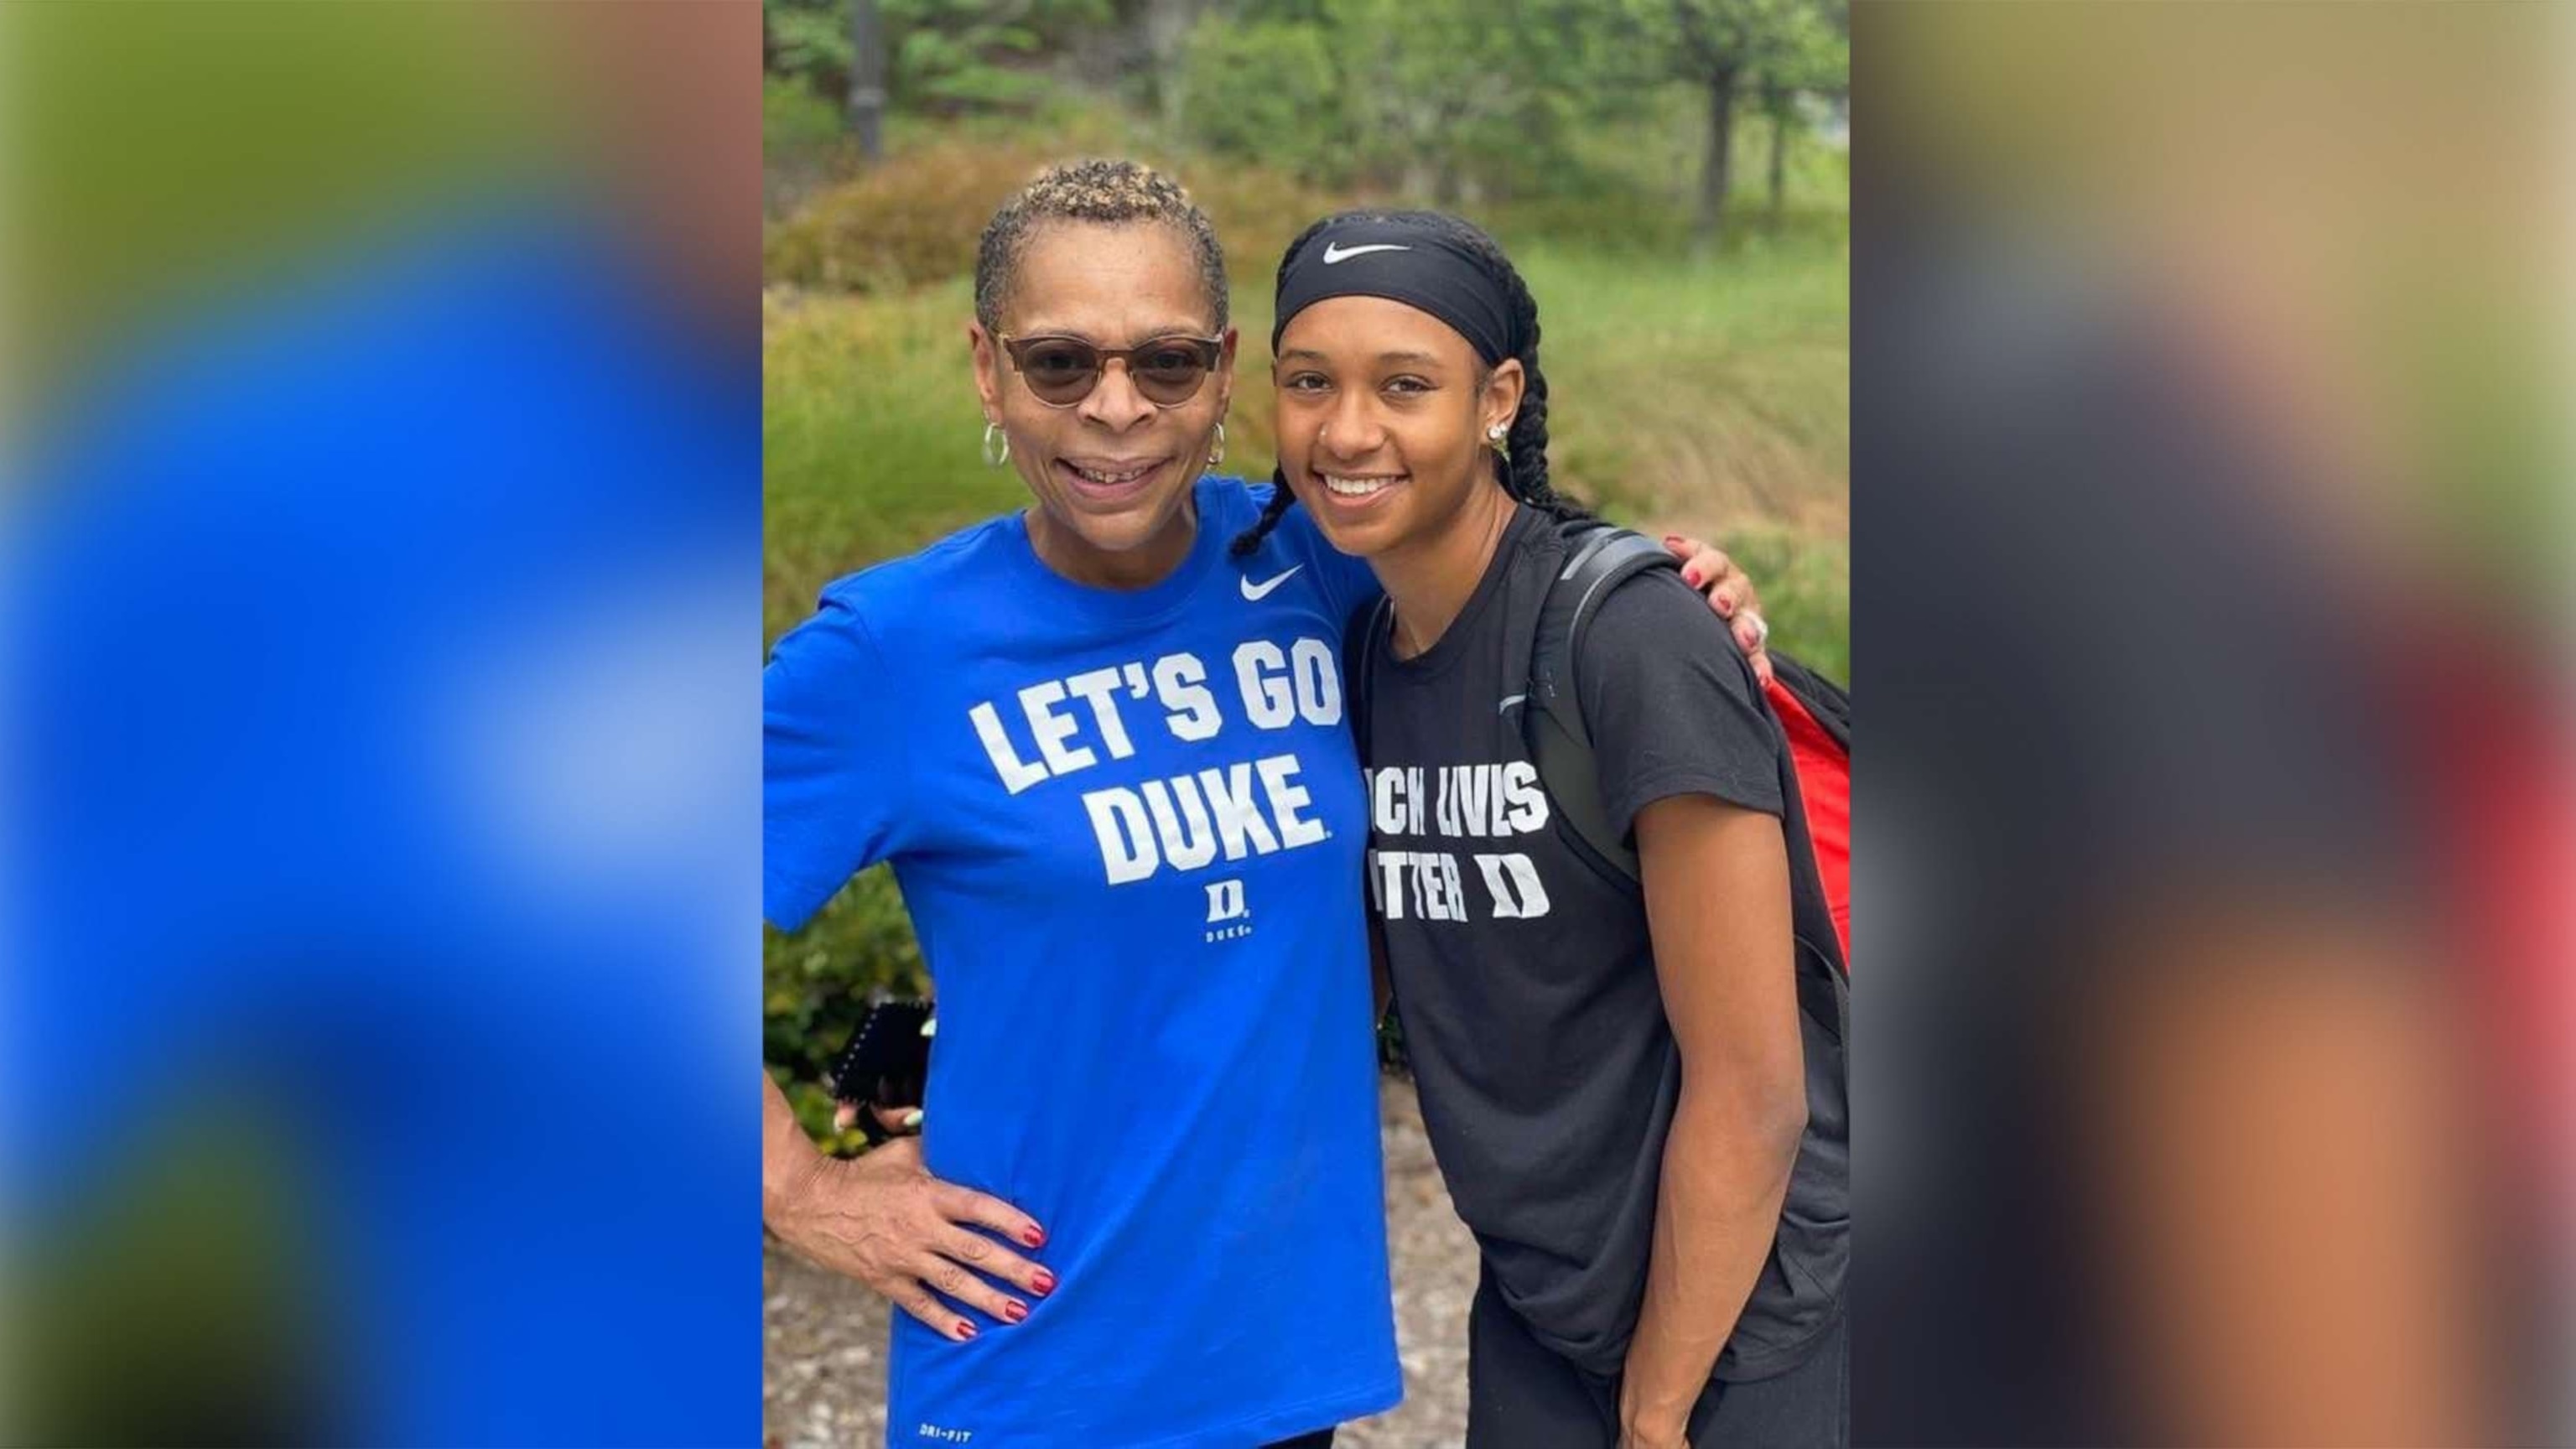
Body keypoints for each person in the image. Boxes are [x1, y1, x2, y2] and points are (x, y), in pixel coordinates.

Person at [760, 162, 1767, 1448]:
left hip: (1282, 1370)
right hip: (1032, 1378)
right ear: (986, 369)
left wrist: (1674, 591)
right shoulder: (895, 653)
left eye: (1167, 362)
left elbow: (1517, 581)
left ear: (1225, 370)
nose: (1115, 410)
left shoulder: (1322, 564)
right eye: (1060, 363)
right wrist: (802, 1195)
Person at [1233, 210, 1848, 1448]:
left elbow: (1755, 1090)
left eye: (1405, 385)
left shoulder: (1630, 642)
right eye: (1310, 384)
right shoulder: (1363, 647)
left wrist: (1660, 1414)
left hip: (1757, 1315)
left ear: (1496, 397)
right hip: (1544, 1305)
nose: (1347, 431)